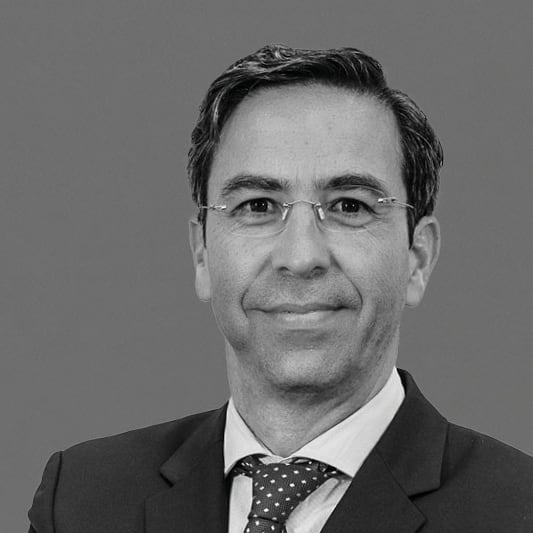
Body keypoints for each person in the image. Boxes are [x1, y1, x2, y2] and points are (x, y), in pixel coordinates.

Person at [28, 44, 533, 533]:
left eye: (350, 206)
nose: (301, 257)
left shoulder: (517, 509)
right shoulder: (81, 502)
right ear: (202, 254)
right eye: (258, 205)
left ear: (417, 258)